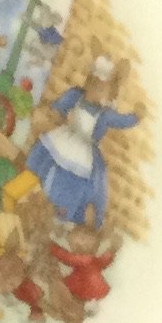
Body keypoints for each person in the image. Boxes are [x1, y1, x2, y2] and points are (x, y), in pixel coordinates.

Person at [34, 57, 142, 232]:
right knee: (48, 162)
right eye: (91, 83)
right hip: (67, 137)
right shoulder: (76, 96)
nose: (93, 89)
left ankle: (63, 215)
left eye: (100, 88)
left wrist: (135, 117)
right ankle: (40, 200)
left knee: (76, 182)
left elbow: (121, 120)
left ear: (109, 94)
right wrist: (56, 112)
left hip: (84, 150)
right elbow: (61, 105)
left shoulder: (104, 114)